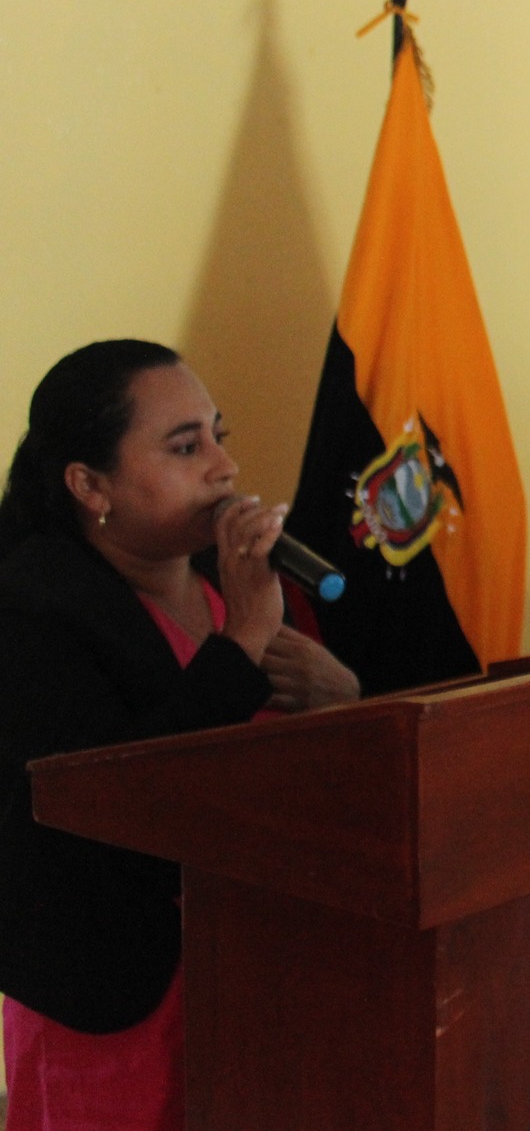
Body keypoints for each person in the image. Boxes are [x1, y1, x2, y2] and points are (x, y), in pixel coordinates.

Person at [0, 340, 361, 1131]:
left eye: (219, 436)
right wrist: (242, 643)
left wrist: (348, 705)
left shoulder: (243, 591)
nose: (225, 468)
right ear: (90, 485)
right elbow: (122, 809)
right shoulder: (31, 613)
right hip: (118, 995)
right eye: (185, 446)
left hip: (259, 978)